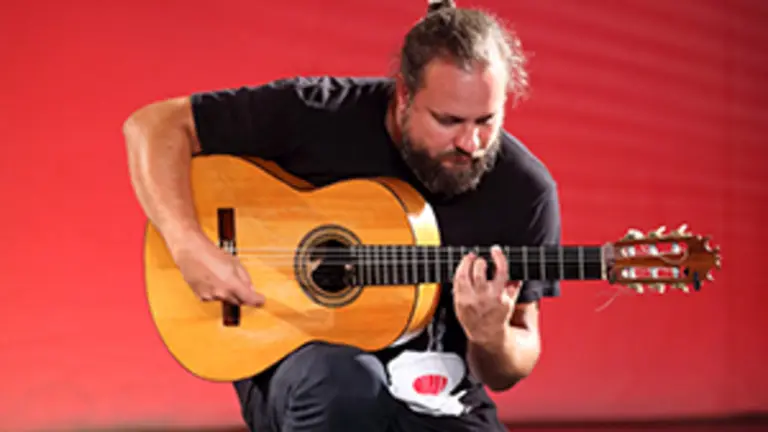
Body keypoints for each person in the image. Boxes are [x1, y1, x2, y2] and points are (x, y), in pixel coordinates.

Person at [123, 0, 561, 431]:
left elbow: (509, 366)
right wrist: (188, 244)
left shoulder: (524, 190)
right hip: (311, 374)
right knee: (343, 384)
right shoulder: (319, 113)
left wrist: (492, 336)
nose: (471, 142)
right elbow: (152, 126)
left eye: (487, 120)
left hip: (441, 397)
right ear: (404, 95)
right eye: (448, 121)